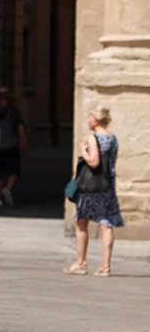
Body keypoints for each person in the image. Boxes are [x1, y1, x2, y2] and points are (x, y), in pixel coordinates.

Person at [64, 106, 123, 277]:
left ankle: (81, 262)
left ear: (96, 121)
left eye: (89, 118)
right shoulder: (113, 139)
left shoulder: (94, 138)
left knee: (82, 222)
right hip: (107, 185)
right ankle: (105, 265)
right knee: (106, 223)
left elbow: (94, 161)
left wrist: (84, 151)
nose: (87, 120)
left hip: (91, 188)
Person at [0, 87, 29, 207]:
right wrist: (25, 145)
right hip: (11, 147)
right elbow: (22, 130)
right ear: (9, 99)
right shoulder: (15, 113)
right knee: (14, 171)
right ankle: (7, 188)